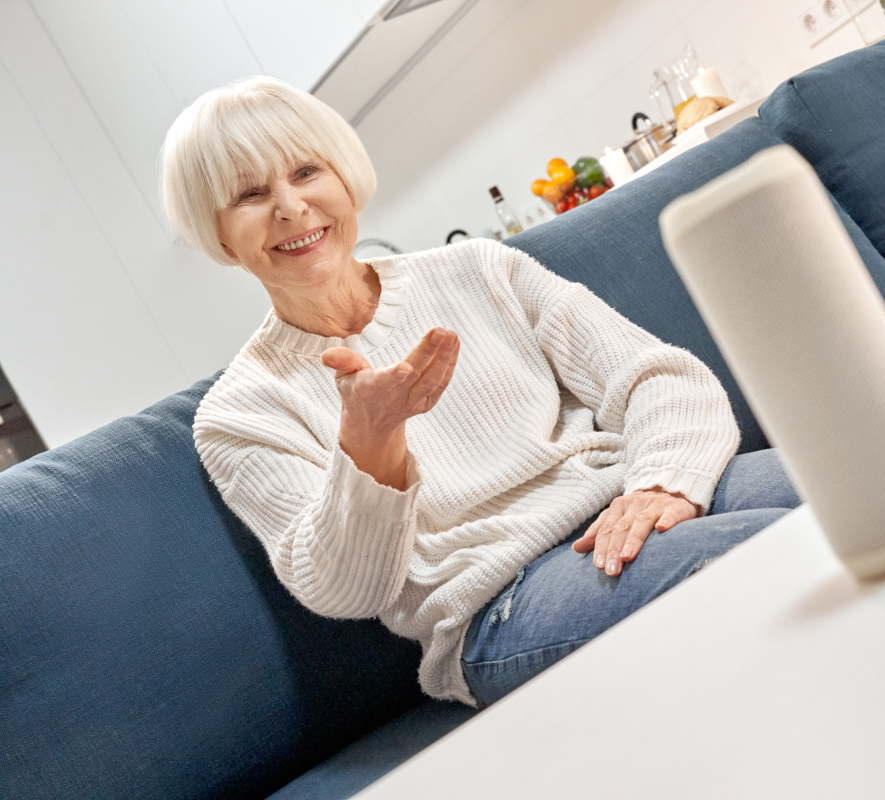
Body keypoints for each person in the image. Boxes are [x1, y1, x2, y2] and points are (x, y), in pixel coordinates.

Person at [165, 76, 799, 707]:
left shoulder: (480, 270)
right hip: (502, 603)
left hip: (626, 498)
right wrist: (370, 443)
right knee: (759, 562)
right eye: (250, 193)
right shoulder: (238, 414)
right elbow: (343, 590)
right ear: (219, 235)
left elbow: (658, 377)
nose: (290, 206)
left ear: (344, 176)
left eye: (305, 171)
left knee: (865, 479)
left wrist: (661, 483)